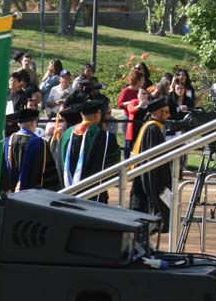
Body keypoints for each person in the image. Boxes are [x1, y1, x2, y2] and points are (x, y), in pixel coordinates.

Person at [57, 91, 121, 200]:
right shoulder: (105, 136)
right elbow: (113, 163)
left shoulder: (66, 134)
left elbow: (58, 161)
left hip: (66, 192)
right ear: (97, 115)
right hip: (95, 193)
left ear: (82, 115)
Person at [127, 96, 173, 234]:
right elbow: (154, 161)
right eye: (165, 112)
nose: (168, 115)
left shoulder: (149, 126)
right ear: (158, 112)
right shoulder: (153, 129)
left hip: (143, 178)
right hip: (149, 180)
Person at [5, 108, 61, 191]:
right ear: (33, 123)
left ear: (19, 124)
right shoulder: (40, 143)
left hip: (10, 194)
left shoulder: (7, 142)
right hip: (32, 195)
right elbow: (49, 174)